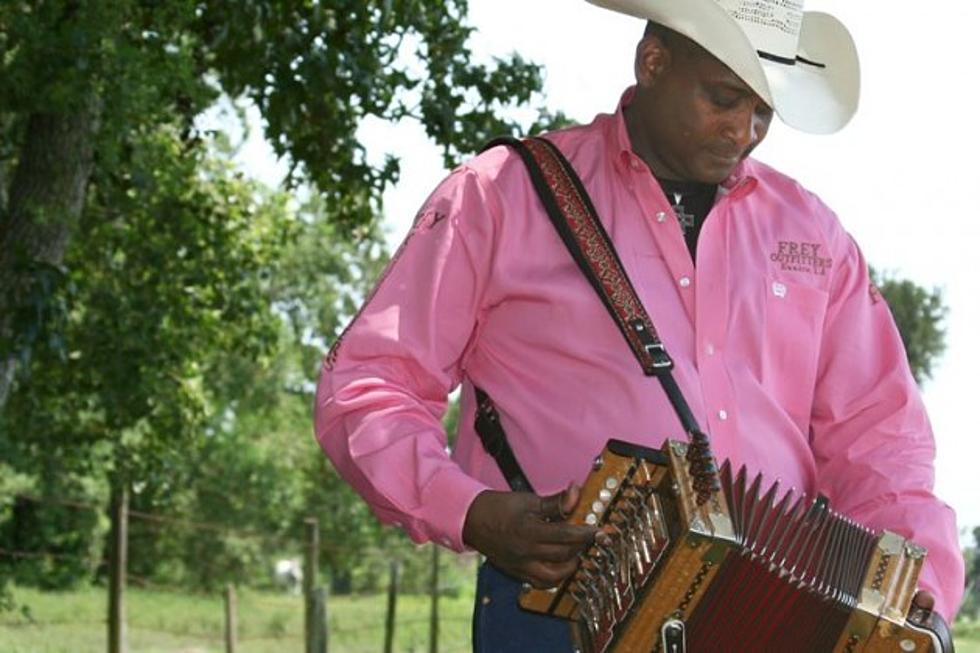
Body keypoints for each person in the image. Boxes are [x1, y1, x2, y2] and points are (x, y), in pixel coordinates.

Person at [314, 0, 964, 649]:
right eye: (725, 98)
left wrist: (922, 599)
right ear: (653, 62)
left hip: (775, 619)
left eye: (764, 111)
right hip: (556, 608)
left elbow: (882, 443)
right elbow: (369, 382)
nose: (744, 130)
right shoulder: (501, 194)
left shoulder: (813, 234)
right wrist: (469, 509)